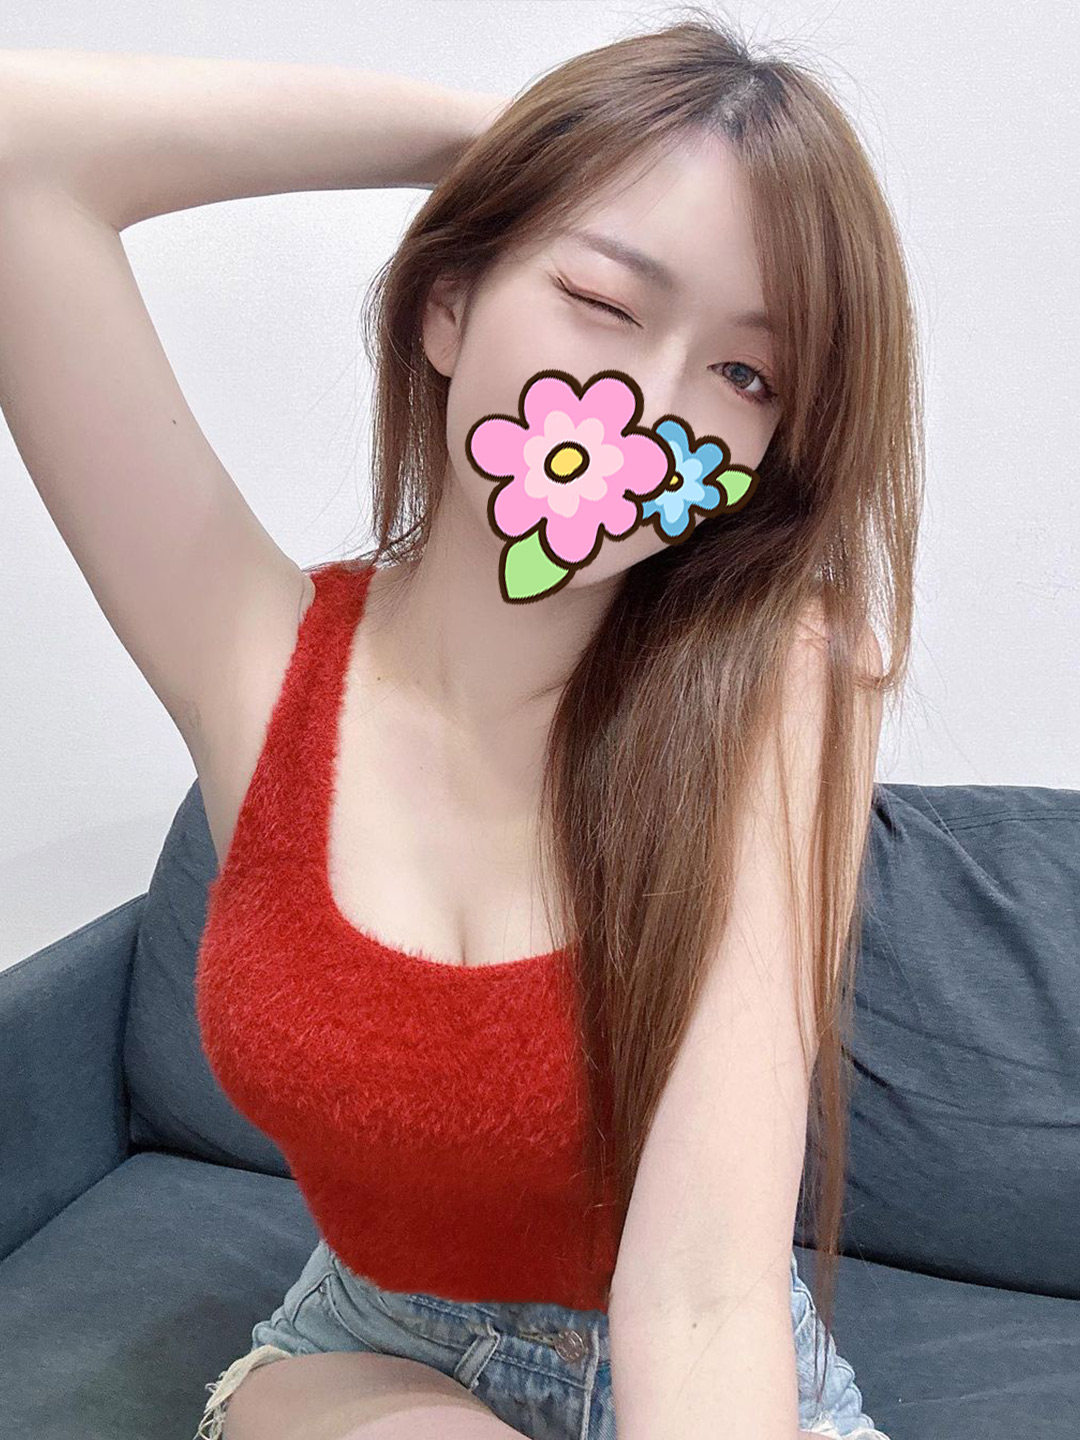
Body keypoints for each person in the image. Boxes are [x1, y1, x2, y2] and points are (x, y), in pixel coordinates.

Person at [0, 11, 913, 1440]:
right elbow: (16, 147)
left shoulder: (778, 684)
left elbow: (701, 1295)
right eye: (602, 300)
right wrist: (500, 140)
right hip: (367, 1353)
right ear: (447, 305)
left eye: (747, 376)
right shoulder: (257, 658)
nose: (649, 410)